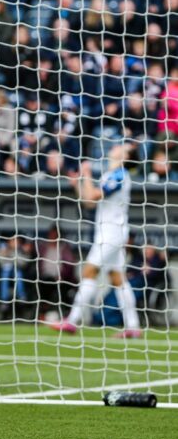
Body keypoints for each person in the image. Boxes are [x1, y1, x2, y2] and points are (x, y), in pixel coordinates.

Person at [50, 143, 141, 338]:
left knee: (89, 271)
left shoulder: (119, 175)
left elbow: (92, 196)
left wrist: (87, 173)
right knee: (117, 278)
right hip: (108, 232)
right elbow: (89, 202)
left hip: (112, 233)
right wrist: (79, 183)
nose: (116, 147)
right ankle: (133, 326)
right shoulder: (111, 175)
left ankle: (72, 321)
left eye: (122, 147)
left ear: (126, 156)